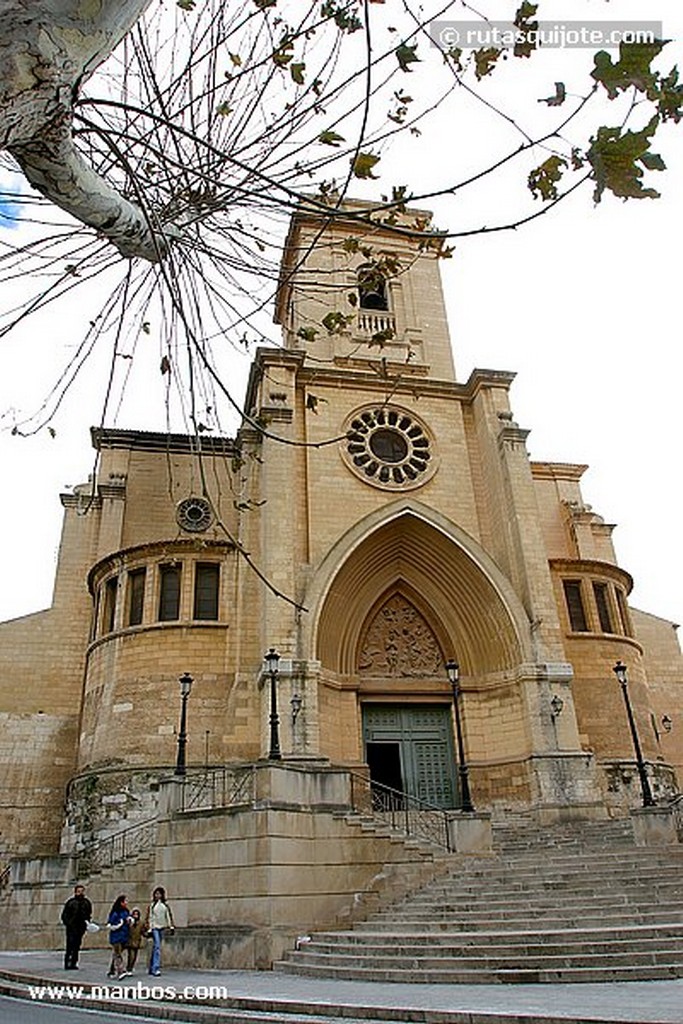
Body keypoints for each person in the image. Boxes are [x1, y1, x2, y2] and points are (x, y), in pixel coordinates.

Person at [60, 883, 92, 970]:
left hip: (80, 927)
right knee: (70, 945)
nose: (80, 893)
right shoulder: (71, 902)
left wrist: (87, 923)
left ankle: (74, 962)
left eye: (81, 891)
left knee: (77, 946)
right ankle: (68, 963)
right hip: (71, 927)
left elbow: (88, 914)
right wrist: (68, 923)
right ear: (75, 892)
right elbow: (64, 915)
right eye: (78, 891)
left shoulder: (86, 903)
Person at [144, 886, 174, 976]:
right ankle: (156, 968)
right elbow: (150, 917)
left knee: (156, 948)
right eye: (156, 894)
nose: (158, 895)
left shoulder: (165, 905)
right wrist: (150, 928)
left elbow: (168, 915)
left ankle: (151, 967)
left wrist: (170, 926)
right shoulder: (152, 905)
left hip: (162, 927)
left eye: (159, 894)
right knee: (157, 947)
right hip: (155, 927)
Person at [106, 894, 132, 979]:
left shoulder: (126, 911)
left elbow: (127, 921)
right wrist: (118, 925)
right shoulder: (115, 912)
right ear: (121, 902)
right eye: (125, 901)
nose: (126, 903)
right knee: (118, 954)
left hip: (124, 935)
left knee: (116, 954)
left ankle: (111, 970)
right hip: (116, 936)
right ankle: (121, 971)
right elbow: (111, 924)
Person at [125, 907, 145, 974]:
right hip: (130, 941)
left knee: (134, 956)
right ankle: (129, 968)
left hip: (137, 941)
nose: (135, 916)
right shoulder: (130, 922)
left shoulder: (141, 923)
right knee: (131, 955)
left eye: (137, 914)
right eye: (134, 914)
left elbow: (143, 931)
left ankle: (130, 967)